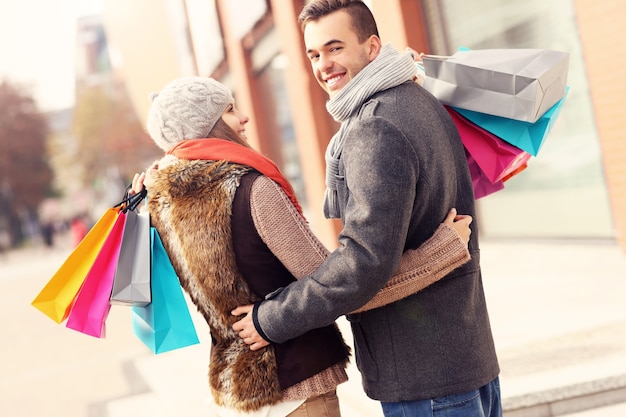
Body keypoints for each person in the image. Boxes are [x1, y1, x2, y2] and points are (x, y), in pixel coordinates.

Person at [133, 76, 473, 417]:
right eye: (231, 110)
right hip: (298, 393)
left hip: (238, 393)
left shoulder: (160, 204)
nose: (245, 118)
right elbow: (343, 286)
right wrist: (441, 251)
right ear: (208, 126)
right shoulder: (253, 191)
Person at [232, 1, 502, 417]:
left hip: (424, 375)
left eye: (335, 48)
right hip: (464, 361)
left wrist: (271, 320)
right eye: (314, 54)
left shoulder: (374, 127)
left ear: (372, 47)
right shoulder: (416, 98)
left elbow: (364, 263)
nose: (324, 65)